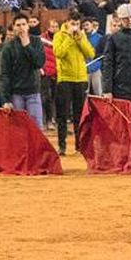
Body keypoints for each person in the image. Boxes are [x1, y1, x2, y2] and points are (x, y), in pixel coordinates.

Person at [51, 11, 94, 155]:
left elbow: (90, 54)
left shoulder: (82, 35)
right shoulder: (59, 35)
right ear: (67, 22)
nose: (75, 26)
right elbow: (58, 53)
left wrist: (80, 38)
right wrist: (69, 37)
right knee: (62, 115)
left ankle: (79, 146)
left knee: (79, 115)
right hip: (65, 79)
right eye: (72, 23)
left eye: (77, 24)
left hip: (80, 79)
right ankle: (62, 146)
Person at [0, 13, 46, 130]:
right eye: (18, 25)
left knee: (36, 129)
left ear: (28, 26)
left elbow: (39, 63)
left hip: (33, 92)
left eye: (24, 24)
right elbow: (5, 74)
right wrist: (6, 99)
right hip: (16, 93)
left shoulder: (36, 42)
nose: (21, 28)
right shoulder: (8, 47)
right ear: (14, 27)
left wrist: (27, 45)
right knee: (18, 129)